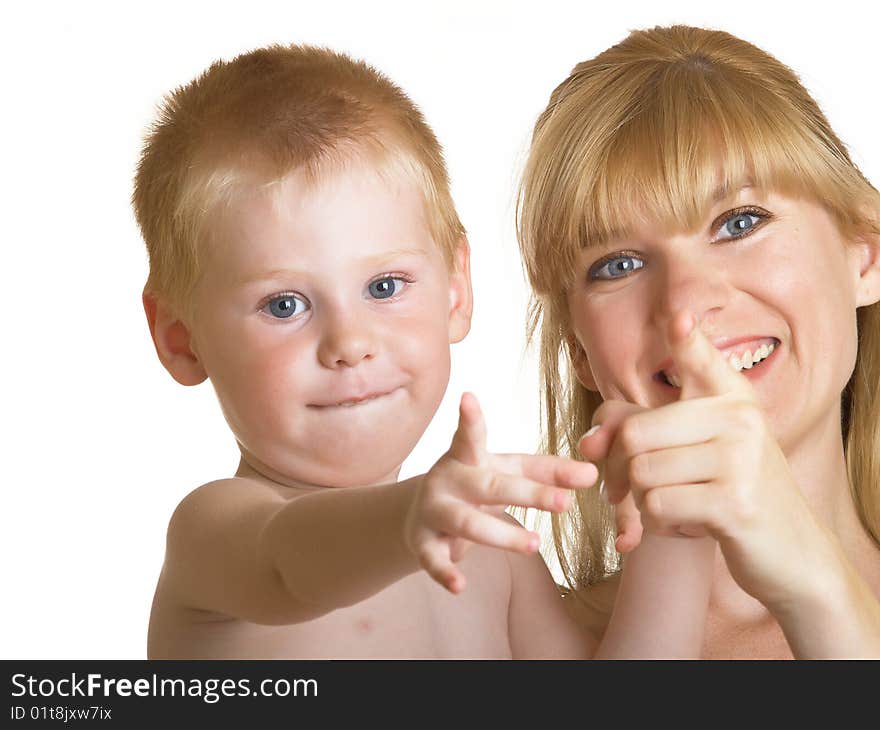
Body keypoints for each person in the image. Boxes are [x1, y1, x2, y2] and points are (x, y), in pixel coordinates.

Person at [133, 43, 705, 659]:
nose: (349, 344)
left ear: (455, 291)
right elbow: (286, 565)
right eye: (284, 305)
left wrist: (677, 528)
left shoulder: (494, 558)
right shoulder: (214, 534)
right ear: (181, 340)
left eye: (384, 287)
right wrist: (411, 518)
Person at [517, 24, 880, 658]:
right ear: (579, 351)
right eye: (619, 264)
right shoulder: (513, 645)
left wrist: (817, 589)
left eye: (740, 223)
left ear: (865, 254)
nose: (685, 306)